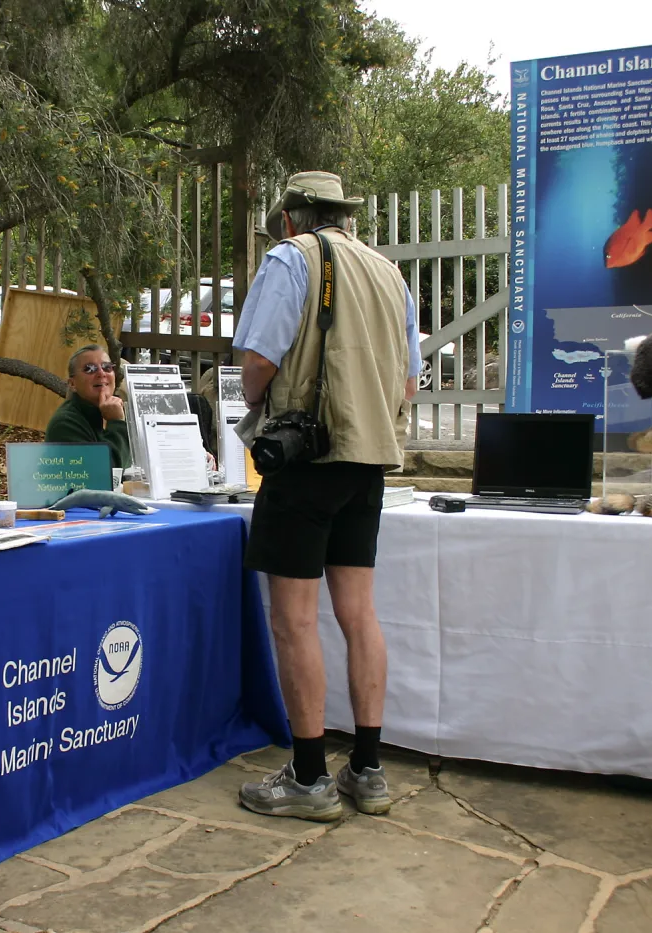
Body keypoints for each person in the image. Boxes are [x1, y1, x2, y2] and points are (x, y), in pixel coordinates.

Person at [233, 171, 420, 822]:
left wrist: (261, 405)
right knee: (358, 612)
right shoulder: (391, 276)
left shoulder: (291, 259)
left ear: (290, 218)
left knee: (293, 617)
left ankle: (309, 775)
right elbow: (410, 384)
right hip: (368, 463)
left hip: (307, 457)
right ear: (343, 215)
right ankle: (366, 768)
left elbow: (258, 360)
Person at [44, 344, 131, 469]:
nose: (101, 373)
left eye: (107, 367)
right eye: (90, 369)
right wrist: (116, 423)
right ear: (72, 384)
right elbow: (106, 472)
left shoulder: (117, 408)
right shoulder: (65, 424)